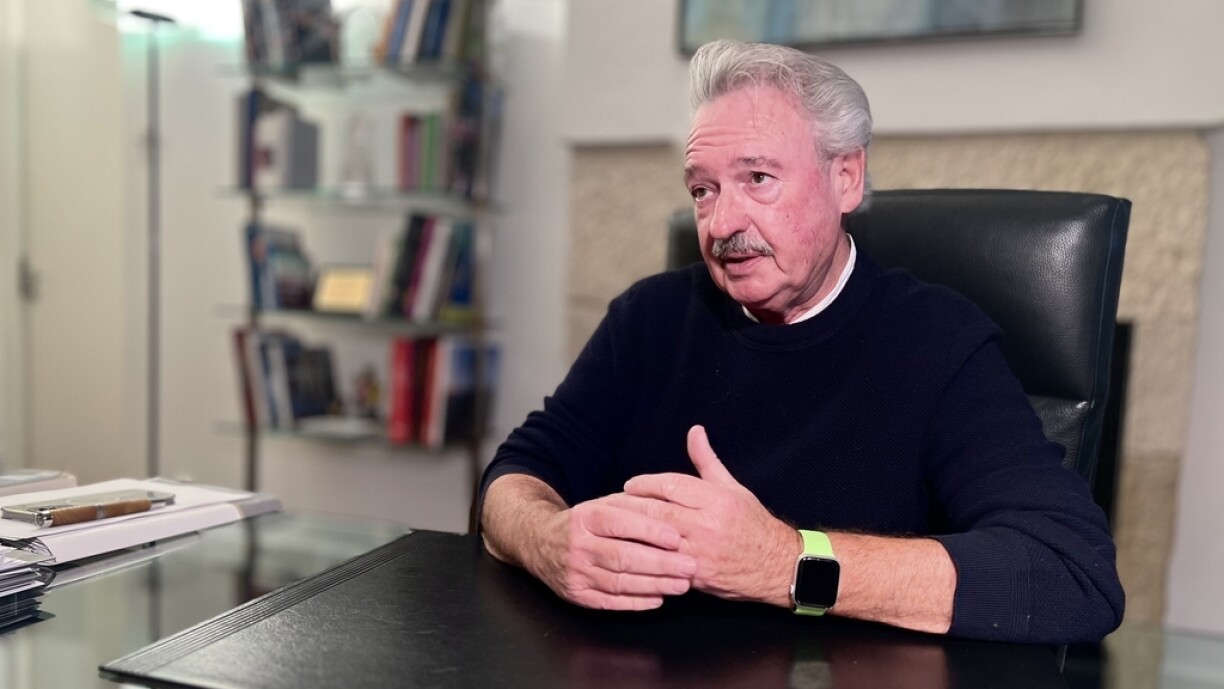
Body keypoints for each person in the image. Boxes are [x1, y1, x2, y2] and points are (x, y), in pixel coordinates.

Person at [478, 39, 1124, 645]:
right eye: (703, 189)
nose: (722, 223)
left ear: (846, 177)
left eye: (758, 177)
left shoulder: (938, 340)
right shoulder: (650, 316)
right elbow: (516, 474)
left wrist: (784, 563)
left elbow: (1072, 576)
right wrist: (547, 540)